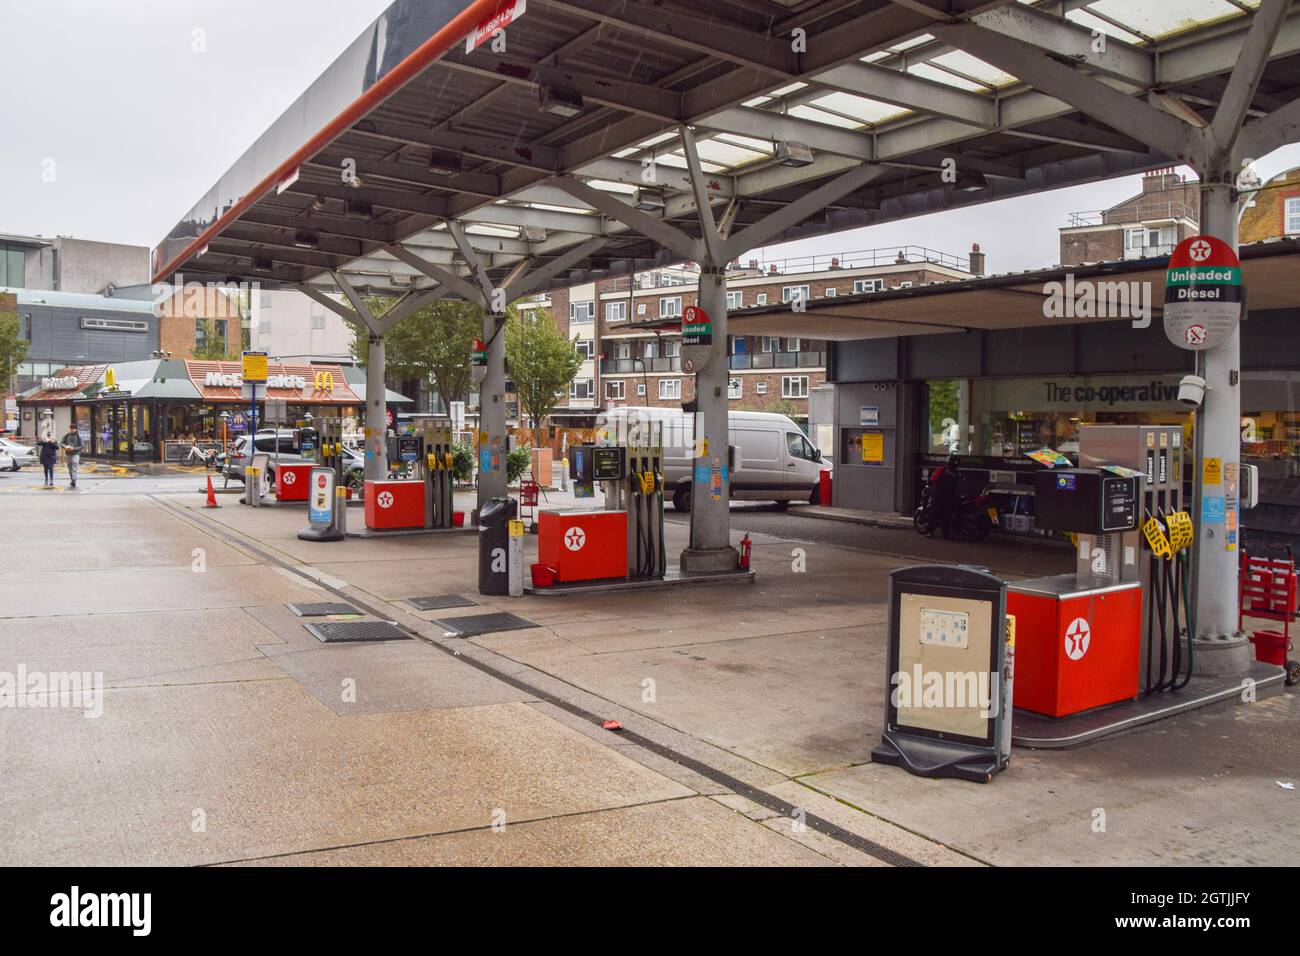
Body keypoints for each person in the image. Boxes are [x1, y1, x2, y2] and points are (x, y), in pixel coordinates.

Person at [929, 453, 962, 538]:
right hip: (949, 496)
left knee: (935, 513)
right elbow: (958, 485)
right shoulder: (957, 473)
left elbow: (933, 479)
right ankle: (945, 533)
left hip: (939, 495)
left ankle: (930, 532)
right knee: (947, 516)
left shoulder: (942, 469)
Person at [61, 424, 84, 488]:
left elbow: (82, 446)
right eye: (71, 428)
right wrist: (65, 447)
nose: (72, 430)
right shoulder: (66, 435)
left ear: (76, 429)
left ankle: (74, 480)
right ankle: (72, 479)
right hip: (68, 454)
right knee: (69, 468)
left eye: (73, 428)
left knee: (74, 467)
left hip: (75, 454)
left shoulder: (79, 436)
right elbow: (61, 443)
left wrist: (74, 449)